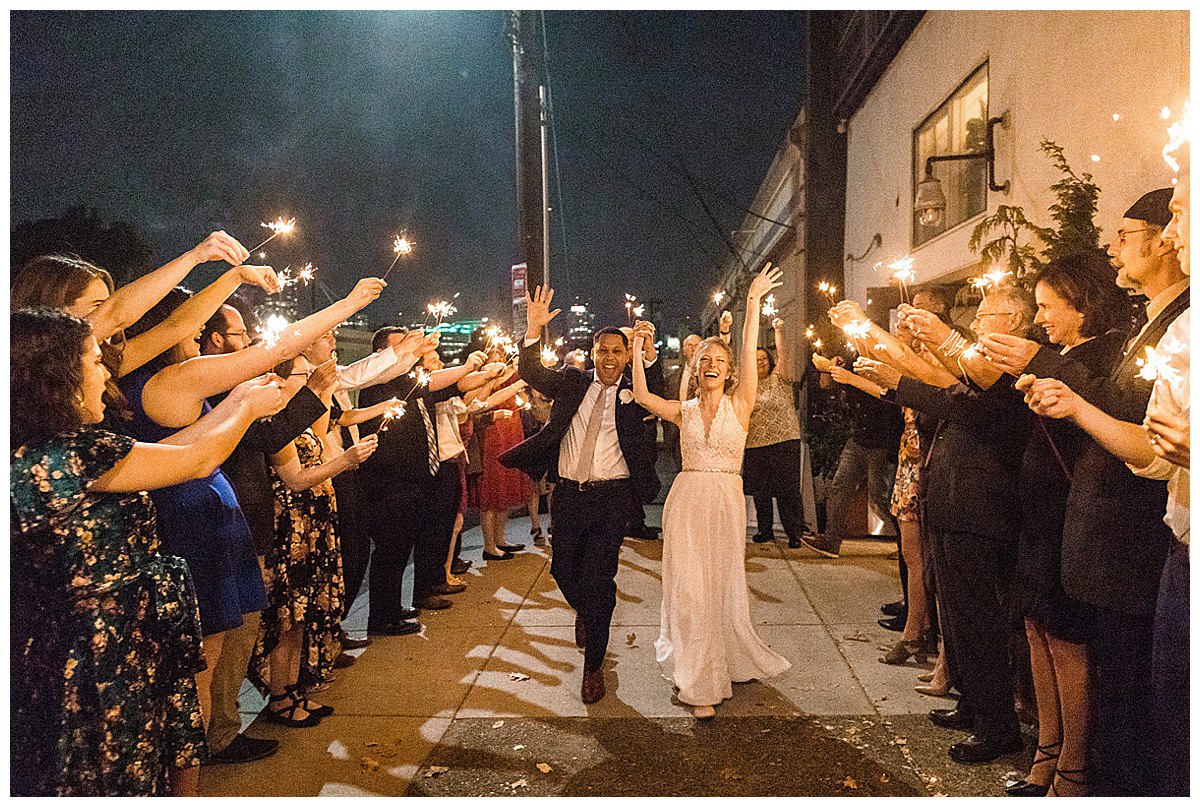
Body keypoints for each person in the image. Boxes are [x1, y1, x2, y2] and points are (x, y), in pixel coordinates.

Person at [11, 307, 284, 796]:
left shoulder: (64, 446)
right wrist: (245, 408)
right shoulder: (65, 455)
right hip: (95, 656)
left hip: (113, 642)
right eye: (95, 362)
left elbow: (185, 451)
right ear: (57, 375)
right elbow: (195, 460)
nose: (106, 375)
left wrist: (238, 400)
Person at [980, 188, 1187, 796]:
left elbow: (1131, 415)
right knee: (1121, 688)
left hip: (1131, 535)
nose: (1113, 246)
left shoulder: (1175, 321)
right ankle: (1061, 760)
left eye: (1125, 235)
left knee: (1136, 701)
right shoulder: (1149, 323)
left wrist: (1058, 382)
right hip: (1093, 525)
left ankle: (1078, 772)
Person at [116, 277, 386, 729]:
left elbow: (201, 439)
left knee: (220, 647)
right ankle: (205, 751)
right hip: (193, 524)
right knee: (206, 659)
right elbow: (276, 349)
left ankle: (216, 737)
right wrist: (347, 302)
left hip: (202, 517)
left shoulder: (156, 381)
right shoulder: (170, 380)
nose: (198, 339)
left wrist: (243, 402)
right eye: (192, 330)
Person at [856, 284, 1037, 764]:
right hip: (951, 506)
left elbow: (957, 400)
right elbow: (943, 389)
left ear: (1016, 321)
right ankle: (974, 706)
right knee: (957, 617)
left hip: (981, 510)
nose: (975, 323)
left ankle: (998, 727)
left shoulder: (1009, 378)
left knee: (981, 622)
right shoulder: (977, 372)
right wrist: (890, 376)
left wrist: (908, 366)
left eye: (986, 315)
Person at [631, 265, 792, 718]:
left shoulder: (742, 404)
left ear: (729, 371)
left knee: (718, 585)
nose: (713, 366)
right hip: (685, 501)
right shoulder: (682, 410)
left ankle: (720, 658)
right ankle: (700, 680)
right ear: (696, 369)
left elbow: (746, 351)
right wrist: (641, 351)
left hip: (723, 502)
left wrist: (754, 302)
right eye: (705, 361)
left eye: (720, 362)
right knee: (689, 587)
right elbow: (643, 398)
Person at [501, 286, 664, 704]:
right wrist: (534, 329)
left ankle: (593, 665)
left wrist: (648, 355)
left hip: (612, 501)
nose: (609, 358)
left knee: (600, 580)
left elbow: (658, 387)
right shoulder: (573, 383)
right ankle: (589, 615)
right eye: (602, 351)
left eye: (617, 352)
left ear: (626, 357)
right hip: (569, 497)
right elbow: (532, 372)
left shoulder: (636, 396)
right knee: (561, 572)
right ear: (593, 354)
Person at [197, 303, 332, 765]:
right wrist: (311, 392)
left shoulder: (234, 388)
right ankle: (219, 733)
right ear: (214, 339)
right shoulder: (218, 392)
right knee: (229, 637)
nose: (248, 339)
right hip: (225, 525)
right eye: (238, 333)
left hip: (248, 523)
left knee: (244, 630)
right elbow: (268, 437)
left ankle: (225, 725)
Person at [250, 354, 378, 726]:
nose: (312, 378)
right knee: (288, 615)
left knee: (305, 612)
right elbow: (295, 478)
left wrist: (322, 387)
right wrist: (347, 460)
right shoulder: (275, 424)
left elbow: (321, 427)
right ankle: (279, 696)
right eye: (304, 373)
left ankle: (294, 688)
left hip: (311, 524)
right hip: (291, 528)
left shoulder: (299, 418)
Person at [356, 329, 497, 631]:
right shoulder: (381, 383)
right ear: (381, 356)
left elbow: (452, 388)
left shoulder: (412, 383)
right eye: (401, 347)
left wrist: (483, 374)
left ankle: (393, 610)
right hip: (390, 483)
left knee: (401, 548)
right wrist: (470, 366)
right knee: (390, 552)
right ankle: (382, 618)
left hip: (415, 480)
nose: (409, 351)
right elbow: (436, 382)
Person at [744, 317, 806, 546]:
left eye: (763, 358)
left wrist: (778, 331)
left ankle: (794, 533)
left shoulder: (779, 378)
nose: (759, 362)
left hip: (784, 440)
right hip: (755, 443)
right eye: (755, 359)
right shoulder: (746, 384)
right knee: (761, 491)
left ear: (769, 361)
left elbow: (785, 356)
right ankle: (765, 530)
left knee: (787, 490)